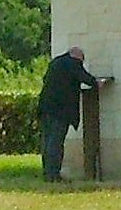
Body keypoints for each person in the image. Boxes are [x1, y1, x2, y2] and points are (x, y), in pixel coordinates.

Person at [37, 45, 102, 182]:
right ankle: (53, 174)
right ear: (78, 57)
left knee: (47, 141)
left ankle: (47, 172)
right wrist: (96, 83)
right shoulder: (73, 63)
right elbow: (83, 77)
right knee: (56, 142)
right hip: (60, 110)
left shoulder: (55, 62)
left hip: (45, 107)